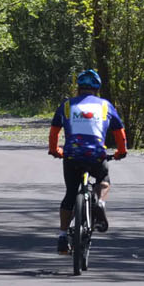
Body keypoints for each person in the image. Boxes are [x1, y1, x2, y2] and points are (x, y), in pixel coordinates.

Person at [48, 69, 127, 254]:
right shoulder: (105, 106)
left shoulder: (67, 105)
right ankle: (100, 202)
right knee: (104, 179)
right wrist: (121, 152)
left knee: (70, 193)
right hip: (96, 155)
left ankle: (61, 235)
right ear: (97, 89)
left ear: (79, 88)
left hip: (72, 155)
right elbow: (119, 133)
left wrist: (54, 150)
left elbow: (54, 131)